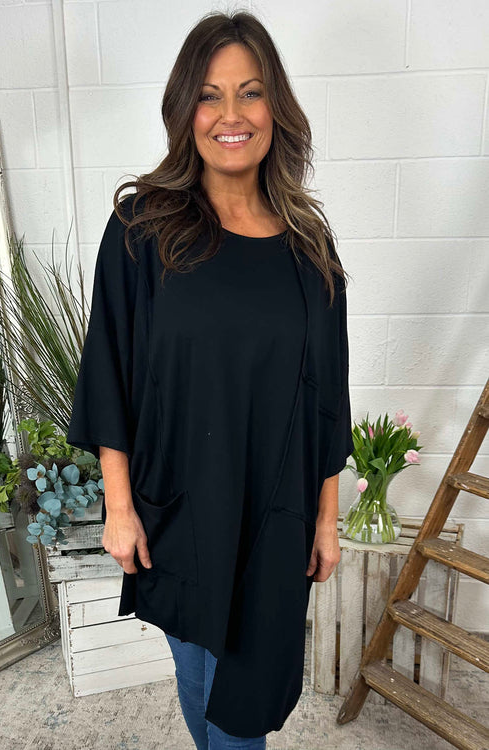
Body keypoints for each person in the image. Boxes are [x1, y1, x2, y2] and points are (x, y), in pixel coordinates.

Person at [66, 10, 353, 750]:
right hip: (182, 512)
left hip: (275, 516)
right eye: (209, 95)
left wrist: (326, 520)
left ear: (275, 109)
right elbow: (110, 372)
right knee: (198, 678)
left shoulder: (309, 246)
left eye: (250, 93)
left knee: (243, 703)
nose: (232, 115)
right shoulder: (143, 229)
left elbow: (328, 396)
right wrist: (119, 508)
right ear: (183, 109)